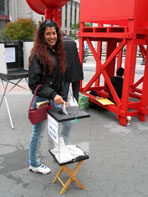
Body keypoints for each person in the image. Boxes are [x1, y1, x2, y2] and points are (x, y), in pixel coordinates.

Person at [28, 20, 72, 175]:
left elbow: (60, 76)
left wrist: (63, 96)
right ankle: (34, 163)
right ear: (42, 35)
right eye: (48, 34)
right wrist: (54, 94)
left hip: (56, 97)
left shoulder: (57, 51)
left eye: (54, 33)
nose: (52, 36)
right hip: (42, 99)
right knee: (38, 132)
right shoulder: (37, 54)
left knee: (68, 122)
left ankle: (60, 149)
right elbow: (34, 84)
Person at [63, 35, 83, 102]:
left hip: (67, 70)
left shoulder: (60, 41)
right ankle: (76, 106)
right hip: (77, 69)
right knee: (76, 92)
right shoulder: (72, 41)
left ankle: (63, 108)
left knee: (64, 92)